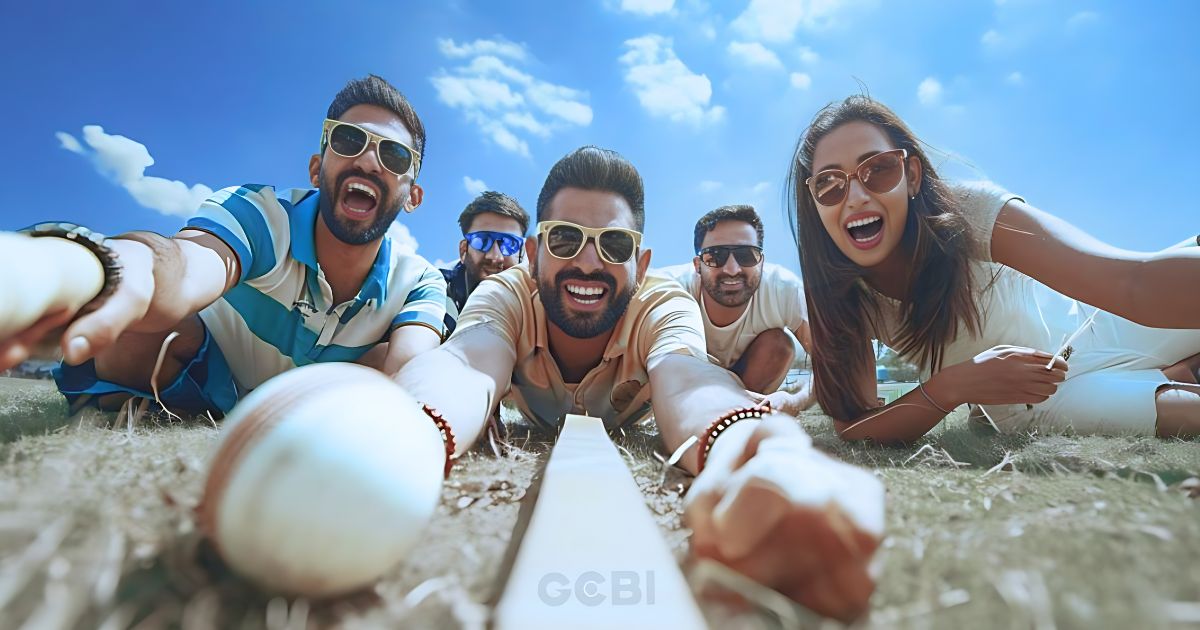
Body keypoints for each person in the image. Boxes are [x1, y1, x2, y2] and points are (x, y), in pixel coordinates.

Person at [394, 146, 885, 622]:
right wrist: (402, 428)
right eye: (565, 240)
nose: (588, 264)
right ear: (533, 252)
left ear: (641, 263)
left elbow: (689, 378)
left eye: (614, 245)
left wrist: (751, 447)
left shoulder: (663, 303)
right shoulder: (507, 292)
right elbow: (464, 361)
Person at [0, 75, 447, 415]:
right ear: (317, 168)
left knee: (389, 363)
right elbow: (187, 265)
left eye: (394, 155)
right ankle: (147, 409)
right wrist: (112, 266)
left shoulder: (419, 279)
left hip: (313, 409)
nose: (368, 160)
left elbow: (412, 365)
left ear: (413, 196)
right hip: (201, 375)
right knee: (141, 328)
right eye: (348, 140)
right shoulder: (258, 213)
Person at [788, 95, 1200, 441]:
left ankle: (1169, 368)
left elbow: (1130, 282)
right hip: (1038, 402)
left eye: (878, 169)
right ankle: (1172, 375)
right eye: (830, 183)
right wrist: (952, 387)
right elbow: (855, 426)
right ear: (814, 202)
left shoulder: (969, 212)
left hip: (1098, 321)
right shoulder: (842, 294)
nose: (855, 195)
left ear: (911, 176)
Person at [654, 204, 814, 415]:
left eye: (746, 255)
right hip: (688, 381)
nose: (732, 270)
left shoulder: (785, 289)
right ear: (697, 265)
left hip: (746, 380)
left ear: (761, 262)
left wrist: (795, 400)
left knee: (779, 345)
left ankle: (741, 409)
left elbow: (831, 361)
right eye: (715, 256)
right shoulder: (670, 288)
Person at [440, 191, 528, 335]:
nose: (495, 257)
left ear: (521, 254)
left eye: (509, 244)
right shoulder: (436, 288)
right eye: (482, 241)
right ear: (463, 251)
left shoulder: (536, 300)